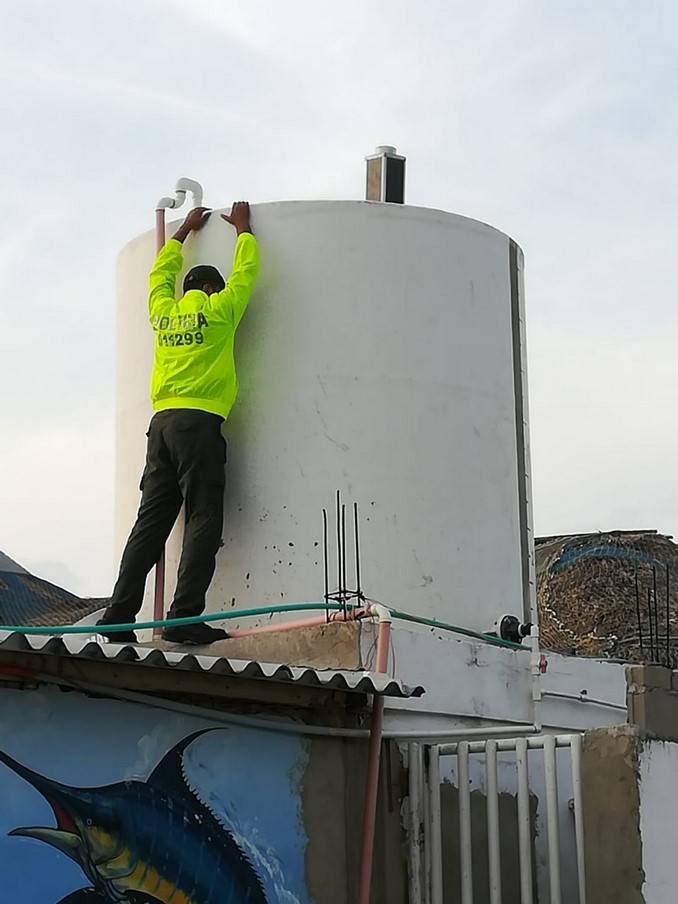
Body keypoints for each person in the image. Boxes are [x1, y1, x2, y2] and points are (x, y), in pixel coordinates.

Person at [97, 201, 259, 645]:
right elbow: (247, 272)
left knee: (150, 524)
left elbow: (157, 275)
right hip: (198, 424)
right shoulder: (220, 309)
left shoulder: (163, 314)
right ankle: (183, 615)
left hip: (161, 425)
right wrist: (243, 230)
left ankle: (118, 613)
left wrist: (184, 230)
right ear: (209, 287)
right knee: (203, 517)